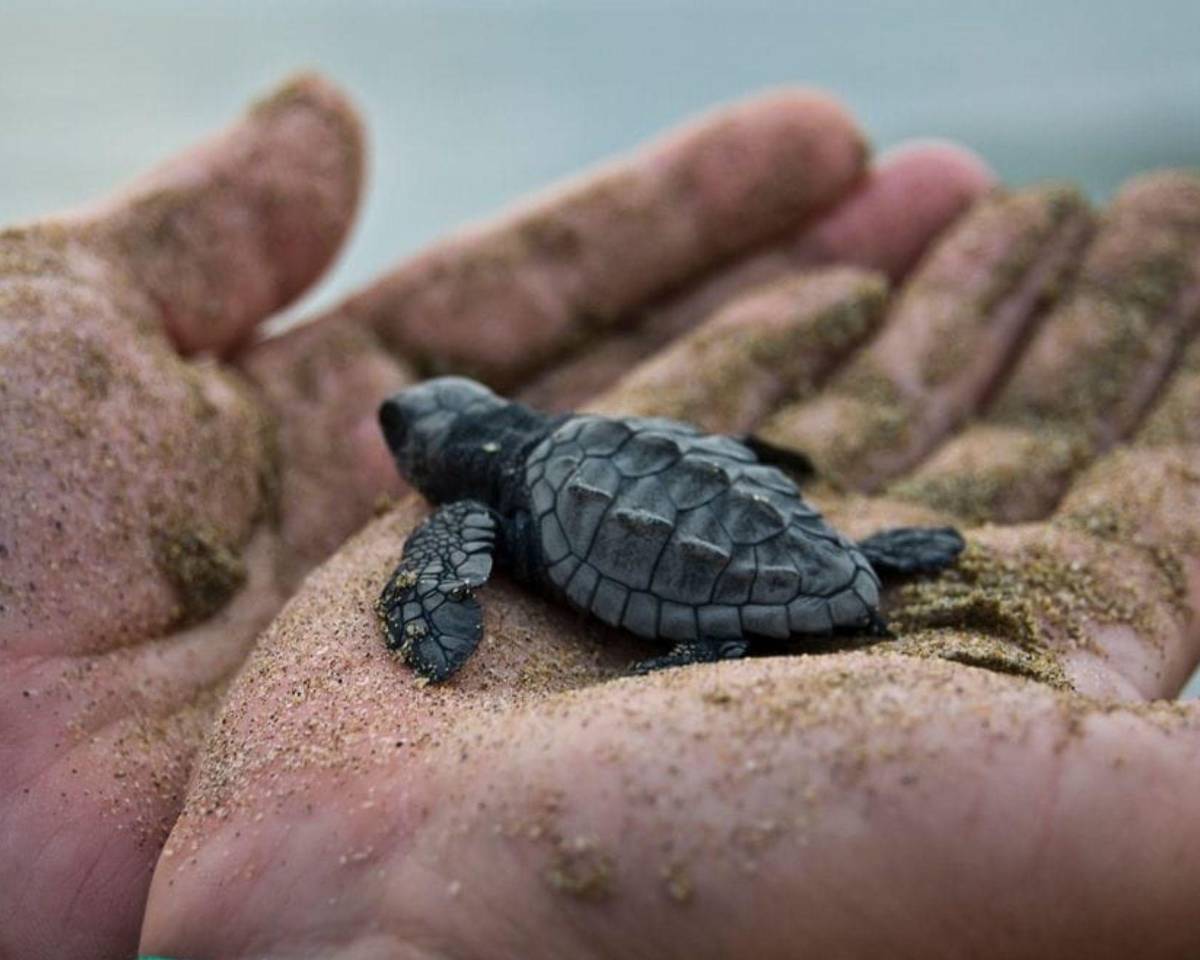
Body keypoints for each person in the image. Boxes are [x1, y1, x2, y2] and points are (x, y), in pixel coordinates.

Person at [2, 73, 1197, 959]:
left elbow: (473, 559)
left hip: (712, 569)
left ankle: (754, 624)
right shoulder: (570, 440)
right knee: (727, 514)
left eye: (403, 439)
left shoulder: (476, 513)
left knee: (698, 564)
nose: (403, 455)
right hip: (769, 525)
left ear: (444, 458)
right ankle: (853, 571)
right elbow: (715, 460)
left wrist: (427, 608)